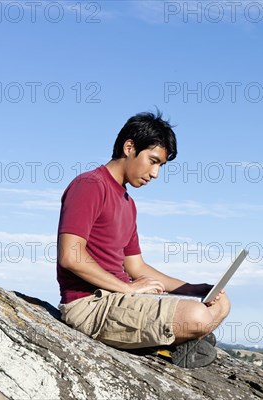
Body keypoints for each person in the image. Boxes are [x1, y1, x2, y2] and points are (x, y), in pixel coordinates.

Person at [56, 110, 230, 368]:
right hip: (91, 305)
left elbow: (136, 267)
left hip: (121, 300)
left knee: (221, 303)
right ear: (129, 147)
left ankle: (164, 342)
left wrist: (192, 288)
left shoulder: (128, 203)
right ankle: (167, 346)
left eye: (160, 165)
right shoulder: (90, 185)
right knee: (197, 317)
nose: (155, 173)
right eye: (153, 161)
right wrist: (127, 288)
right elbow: (71, 256)